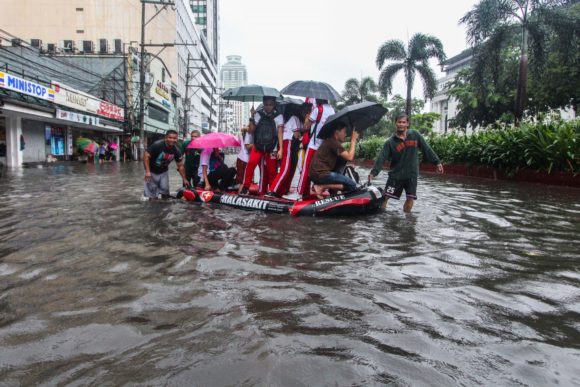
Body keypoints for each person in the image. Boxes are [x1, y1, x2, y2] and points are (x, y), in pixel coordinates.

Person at [368, 113, 444, 213]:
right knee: (386, 197)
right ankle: (381, 215)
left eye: (404, 122)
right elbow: (381, 158)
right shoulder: (390, 142)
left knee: (410, 198)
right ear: (395, 123)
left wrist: (437, 162)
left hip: (411, 175)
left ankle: (407, 221)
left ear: (407, 124)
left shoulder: (415, 135)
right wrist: (374, 172)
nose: (401, 124)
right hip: (395, 175)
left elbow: (427, 149)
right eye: (399, 122)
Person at [239, 96, 284, 195]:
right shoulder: (258, 114)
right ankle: (245, 187)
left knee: (272, 170)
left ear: (274, 105)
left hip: (272, 147)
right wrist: (251, 117)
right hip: (258, 145)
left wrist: (281, 149)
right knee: (251, 163)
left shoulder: (279, 116)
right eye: (266, 105)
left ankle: (272, 191)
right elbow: (251, 130)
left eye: (270, 105)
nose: (268, 107)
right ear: (263, 104)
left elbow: (280, 132)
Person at [267, 102, 311, 197]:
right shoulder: (294, 118)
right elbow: (296, 134)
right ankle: (273, 190)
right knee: (286, 169)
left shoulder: (284, 118)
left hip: (285, 145)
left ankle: (283, 190)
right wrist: (302, 132)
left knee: (291, 168)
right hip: (288, 143)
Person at [297, 99, 335, 199]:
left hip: (314, 145)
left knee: (306, 170)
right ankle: (325, 191)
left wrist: (307, 117)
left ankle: (301, 193)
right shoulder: (332, 110)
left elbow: (306, 126)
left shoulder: (317, 110)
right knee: (322, 170)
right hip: (324, 147)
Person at [309, 124, 359, 199]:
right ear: (336, 132)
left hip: (316, 174)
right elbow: (350, 157)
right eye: (344, 132)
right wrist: (353, 140)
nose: (345, 134)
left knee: (342, 160)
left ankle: (331, 192)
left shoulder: (330, 141)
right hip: (321, 174)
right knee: (352, 185)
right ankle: (321, 187)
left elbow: (345, 158)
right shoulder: (333, 143)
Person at [143, 129, 189, 199]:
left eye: (174, 138)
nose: (172, 140)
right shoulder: (157, 145)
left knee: (165, 194)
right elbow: (146, 155)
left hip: (163, 172)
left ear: (177, 139)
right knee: (152, 196)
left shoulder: (176, 151)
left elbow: (180, 166)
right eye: (170, 138)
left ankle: (164, 207)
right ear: (166, 138)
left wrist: (184, 179)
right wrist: (147, 172)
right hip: (151, 172)